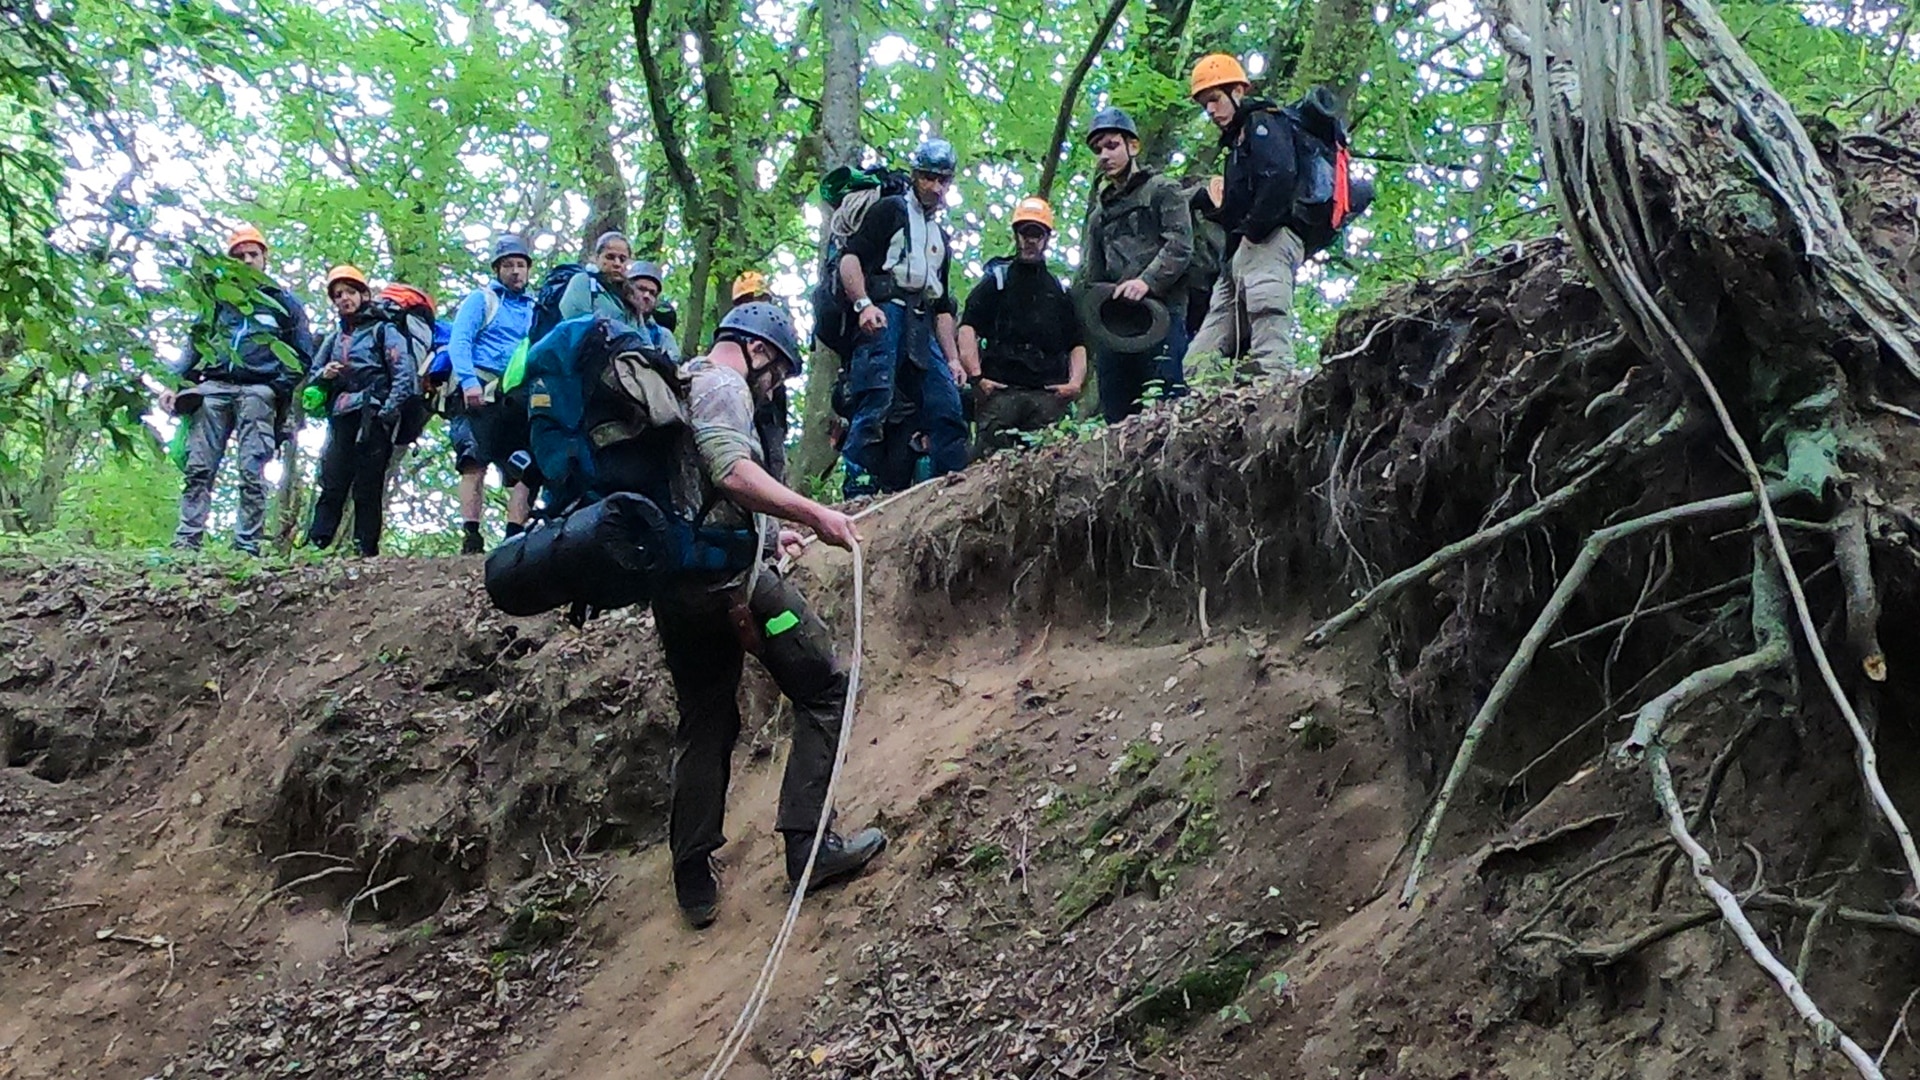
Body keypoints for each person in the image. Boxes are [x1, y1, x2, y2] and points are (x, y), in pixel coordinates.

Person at [659, 301, 887, 928]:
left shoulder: (679, 381)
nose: (776, 387)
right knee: (824, 686)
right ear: (757, 352)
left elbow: (699, 492)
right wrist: (813, 515)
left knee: (706, 717)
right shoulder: (724, 385)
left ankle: (693, 879)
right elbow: (731, 473)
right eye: (778, 371)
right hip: (733, 586)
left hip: (677, 592)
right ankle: (811, 850)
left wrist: (768, 535)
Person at [161, 224, 315, 555]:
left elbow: (302, 355)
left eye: (252, 254)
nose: (246, 260)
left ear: (264, 258)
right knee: (199, 467)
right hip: (213, 388)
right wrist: (176, 384)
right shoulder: (217, 301)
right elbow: (195, 345)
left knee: (252, 469)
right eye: (239, 255)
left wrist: (276, 387)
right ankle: (187, 541)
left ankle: (246, 546)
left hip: (259, 392)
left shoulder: (284, 303)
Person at [835, 138, 968, 498]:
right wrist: (863, 304)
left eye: (943, 181)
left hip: (923, 322)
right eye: (929, 178)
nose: (935, 188)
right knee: (875, 395)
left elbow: (942, 305)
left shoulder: (941, 238)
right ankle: (858, 482)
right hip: (886, 309)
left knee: (946, 403)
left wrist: (954, 358)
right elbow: (851, 258)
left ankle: (951, 482)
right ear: (915, 176)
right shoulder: (891, 211)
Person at [1186, 54, 1305, 375]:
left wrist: (1254, 229)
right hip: (1239, 253)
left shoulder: (1263, 122)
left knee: (1268, 325)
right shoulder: (1236, 145)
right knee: (1199, 358)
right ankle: (1203, 410)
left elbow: (1280, 175)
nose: (1210, 110)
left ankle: (1277, 396)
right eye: (1204, 105)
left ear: (1237, 91)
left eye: (1214, 99)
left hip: (1270, 240)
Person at [1079, 106, 1194, 423]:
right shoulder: (1099, 216)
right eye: (1098, 149)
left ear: (1133, 146)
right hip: (1117, 325)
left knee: (1169, 406)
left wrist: (1146, 281)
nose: (1104, 155)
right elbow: (1094, 275)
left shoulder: (1163, 190)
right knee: (1117, 415)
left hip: (1162, 313)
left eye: (1112, 145)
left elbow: (1181, 245)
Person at [304, 265, 420, 557]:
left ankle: (365, 550)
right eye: (338, 295)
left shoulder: (385, 329)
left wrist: (388, 411)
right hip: (341, 415)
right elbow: (313, 374)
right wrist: (324, 376)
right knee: (332, 481)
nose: (344, 299)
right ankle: (316, 546)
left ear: (364, 294)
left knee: (368, 486)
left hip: (374, 414)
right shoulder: (334, 338)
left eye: (350, 292)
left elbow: (403, 372)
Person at [958, 196, 1086, 458]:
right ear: (1016, 235)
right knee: (987, 471)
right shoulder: (997, 282)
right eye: (1025, 232)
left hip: (1048, 399)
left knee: (1047, 473)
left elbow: (1077, 342)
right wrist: (976, 377)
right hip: (1001, 396)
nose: (1030, 240)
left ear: (1046, 238)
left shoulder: (1059, 291)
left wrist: (1074, 384)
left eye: (1037, 233)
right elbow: (968, 327)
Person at [447, 233, 537, 554]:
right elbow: (460, 341)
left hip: (517, 395)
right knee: (474, 461)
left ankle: (513, 536)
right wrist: (468, 380)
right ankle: (471, 536)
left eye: (521, 265)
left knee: (524, 466)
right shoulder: (481, 300)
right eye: (508, 265)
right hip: (479, 389)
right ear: (497, 269)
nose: (515, 271)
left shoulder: (534, 308)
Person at [558, 230, 636, 324]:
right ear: (597, 258)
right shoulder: (583, 281)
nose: (617, 263)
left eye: (622, 259)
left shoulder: (629, 297)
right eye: (610, 257)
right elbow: (576, 322)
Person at [623, 260, 681, 362]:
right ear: (628, 289)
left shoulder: (662, 336)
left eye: (652, 293)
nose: (646, 296)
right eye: (641, 289)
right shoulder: (614, 317)